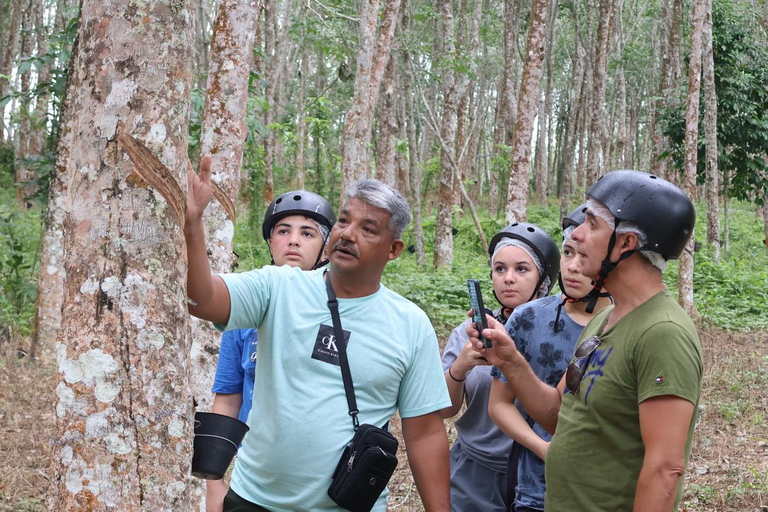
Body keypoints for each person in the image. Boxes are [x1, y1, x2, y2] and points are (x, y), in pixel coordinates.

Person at [186, 155, 451, 512]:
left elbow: (425, 433)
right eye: (343, 221)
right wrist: (192, 222)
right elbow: (202, 300)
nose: (347, 234)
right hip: (255, 502)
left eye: (368, 229)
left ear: (394, 250)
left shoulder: (410, 324)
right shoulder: (278, 287)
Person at [469, 170, 702, 511]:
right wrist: (510, 361)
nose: (576, 235)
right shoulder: (605, 320)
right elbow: (556, 414)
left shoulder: (663, 332)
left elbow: (665, 470)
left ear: (626, 243)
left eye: (592, 224)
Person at [206, 190, 336, 512]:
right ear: (270, 242)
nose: (293, 241)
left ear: (326, 247)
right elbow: (228, 398)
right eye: (283, 231)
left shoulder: (344, 311)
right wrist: (214, 480)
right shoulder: (243, 315)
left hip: (328, 485)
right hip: (256, 480)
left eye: (307, 233)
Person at [487, 204, 612, 512]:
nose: (572, 266)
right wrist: (542, 449)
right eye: (568, 253)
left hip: (606, 487)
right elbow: (499, 403)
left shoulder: (629, 324)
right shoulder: (528, 318)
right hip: (536, 488)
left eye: (584, 256)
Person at [440, 222, 560, 511]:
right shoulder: (467, 333)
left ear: (543, 279)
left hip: (539, 469)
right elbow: (444, 409)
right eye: (500, 269)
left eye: (521, 269)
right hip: (475, 471)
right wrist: (461, 367)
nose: (508, 279)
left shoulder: (559, 334)